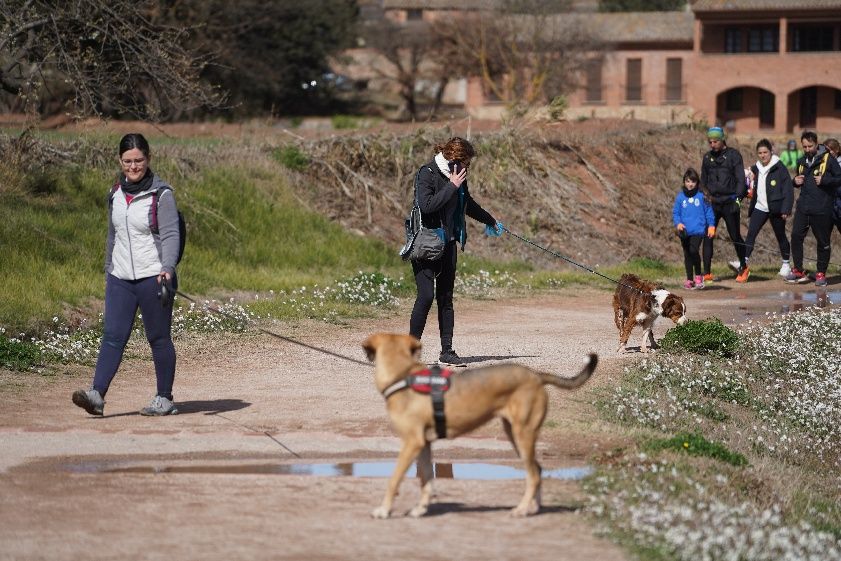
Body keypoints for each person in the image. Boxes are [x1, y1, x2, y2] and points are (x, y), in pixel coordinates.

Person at [72, 133, 181, 416]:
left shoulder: (162, 195)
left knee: (158, 338)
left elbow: (171, 235)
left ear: (148, 159)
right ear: (120, 161)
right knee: (112, 336)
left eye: (139, 161)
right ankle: (96, 395)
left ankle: (164, 398)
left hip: (154, 277)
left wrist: (167, 270)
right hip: (120, 277)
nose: (133, 167)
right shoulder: (115, 194)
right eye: (128, 161)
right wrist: (109, 268)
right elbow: (113, 235)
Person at [409, 136, 502, 366]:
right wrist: (451, 185)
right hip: (427, 243)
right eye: (466, 163)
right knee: (426, 296)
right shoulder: (427, 173)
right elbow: (427, 205)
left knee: (446, 298)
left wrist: (490, 220)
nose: (467, 168)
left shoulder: (459, 177)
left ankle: (447, 351)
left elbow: (466, 203)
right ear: (453, 159)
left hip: (449, 242)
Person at [785, 131, 841, 287]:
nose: (807, 149)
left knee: (823, 242)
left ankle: (821, 273)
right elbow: (798, 180)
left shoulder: (828, 159)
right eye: (804, 146)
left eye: (810, 146)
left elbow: (839, 178)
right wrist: (794, 181)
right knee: (796, 237)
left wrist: (825, 180)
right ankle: (798, 269)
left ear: (817, 144)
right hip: (804, 207)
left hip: (822, 208)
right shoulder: (801, 160)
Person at [741, 139, 794, 282]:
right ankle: (743, 262)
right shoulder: (757, 167)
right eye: (760, 153)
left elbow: (788, 190)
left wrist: (786, 209)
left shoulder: (779, 167)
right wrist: (746, 172)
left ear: (771, 152)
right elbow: (748, 172)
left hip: (776, 208)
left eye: (765, 152)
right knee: (751, 233)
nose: (763, 155)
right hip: (760, 207)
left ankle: (786, 264)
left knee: (780, 235)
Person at [700, 126, 748, 282]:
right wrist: (705, 196)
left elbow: (741, 179)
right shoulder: (707, 158)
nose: (712, 144)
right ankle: (706, 272)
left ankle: (744, 267)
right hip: (713, 203)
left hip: (729, 202)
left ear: (722, 140)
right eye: (710, 142)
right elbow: (703, 182)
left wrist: (738, 199)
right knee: (708, 235)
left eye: (715, 141)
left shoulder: (734, 155)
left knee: (734, 235)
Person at [672, 168, 715, 290]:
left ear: (697, 183)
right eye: (687, 181)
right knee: (687, 254)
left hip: (698, 231)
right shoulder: (680, 197)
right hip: (684, 232)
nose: (690, 184)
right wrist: (678, 223)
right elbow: (676, 213)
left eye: (693, 181)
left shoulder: (702, 196)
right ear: (684, 182)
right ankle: (689, 279)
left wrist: (711, 225)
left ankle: (698, 276)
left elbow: (709, 212)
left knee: (693, 250)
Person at [825, 138, 841, 237]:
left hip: (839, 204)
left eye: (831, 150)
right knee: (824, 237)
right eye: (826, 150)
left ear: (837, 150)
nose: (829, 153)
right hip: (828, 205)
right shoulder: (824, 162)